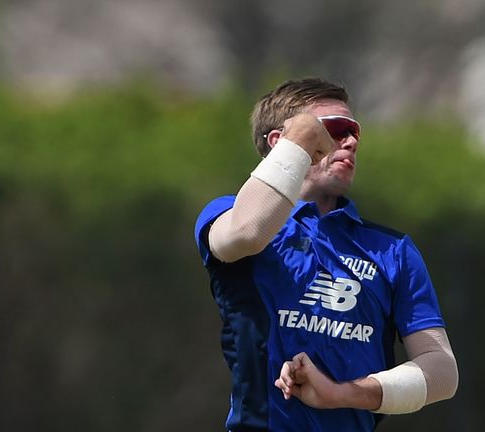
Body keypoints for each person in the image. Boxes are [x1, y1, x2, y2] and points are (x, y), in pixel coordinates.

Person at [194, 78, 458, 432]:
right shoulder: (227, 213)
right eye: (335, 130)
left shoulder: (393, 249)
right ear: (280, 142)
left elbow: (442, 372)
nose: (350, 142)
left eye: (354, 133)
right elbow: (246, 233)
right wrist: (299, 137)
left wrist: (342, 393)